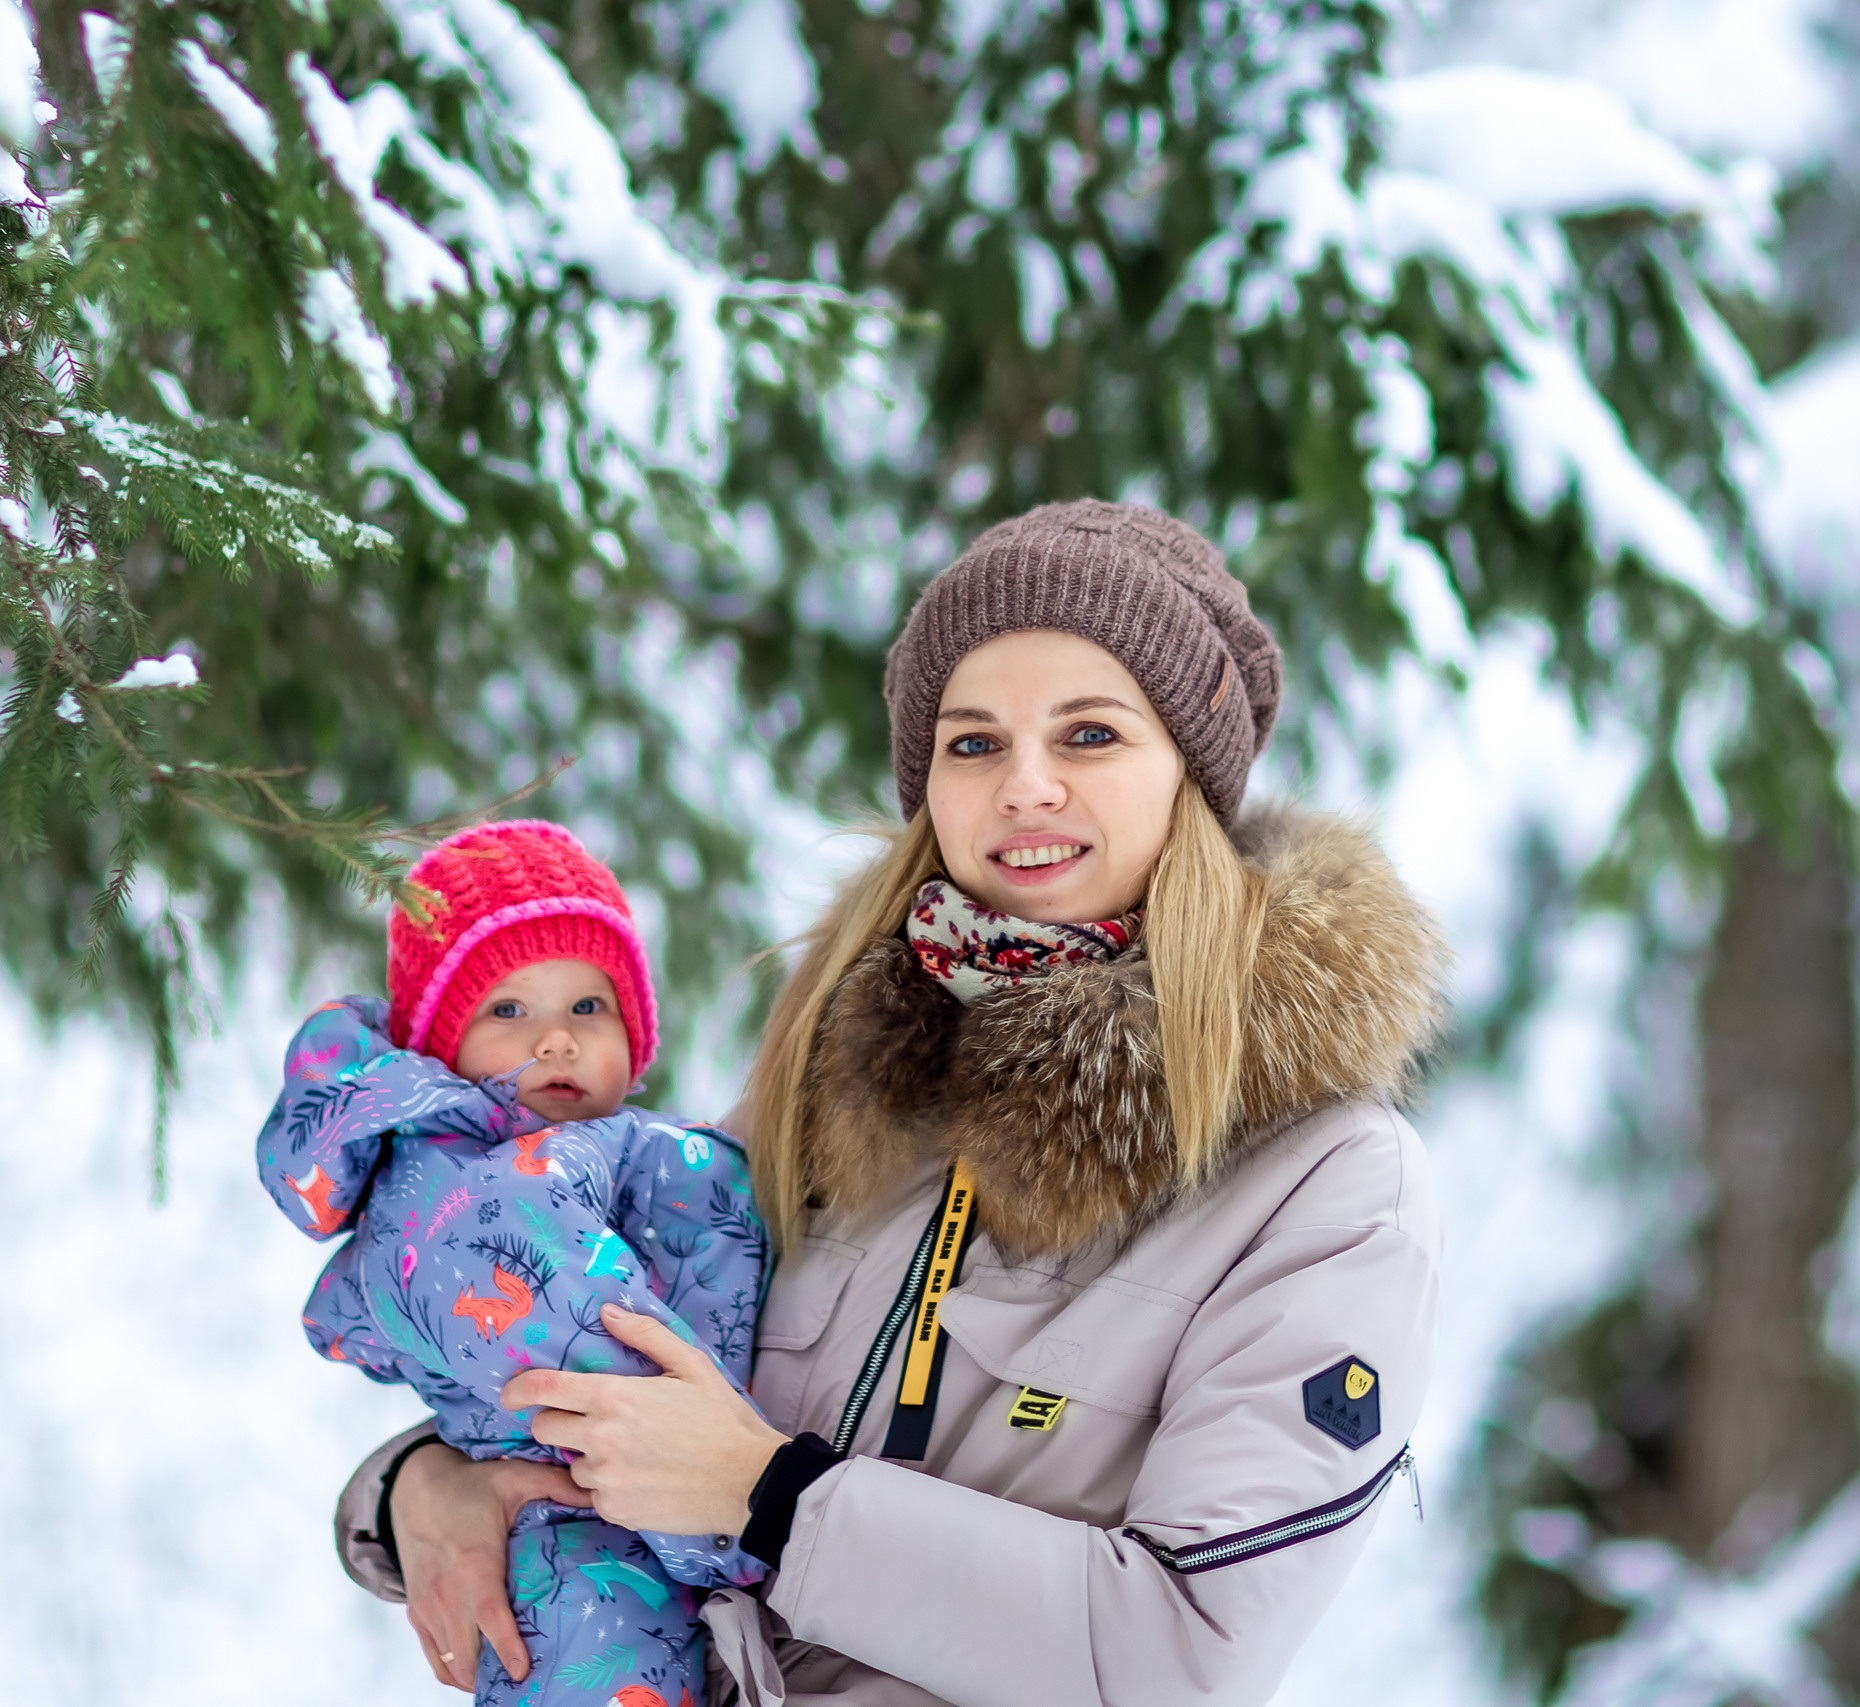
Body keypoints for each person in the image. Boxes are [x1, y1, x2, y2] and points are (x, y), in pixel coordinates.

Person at [340, 501, 1447, 1706]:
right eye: (973, 744)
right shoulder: (838, 1069)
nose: (1025, 786)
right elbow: (588, 1341)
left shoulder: (1325, 1182)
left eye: (1088, 734)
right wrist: (419, 1485)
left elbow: (1184, 1652)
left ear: (1188, 771)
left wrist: (776, 1503)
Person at [256, 819, 768, 1707]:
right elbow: (544, 1320)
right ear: (440, 1047)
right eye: (509, 1011)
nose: (556, 1041)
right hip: (569, 1526)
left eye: (586, 1007)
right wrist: (737, 1523)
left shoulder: (644, 1155)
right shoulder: (444, 1178)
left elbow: (715, 1275)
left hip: (663, 1495)